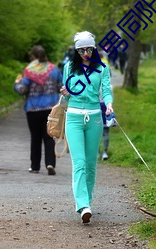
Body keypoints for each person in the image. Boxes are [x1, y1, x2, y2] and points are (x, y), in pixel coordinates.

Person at [60, 31, 113, 223]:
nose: (85, 53)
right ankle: (82, 205)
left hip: (95, 118)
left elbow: (106, 90)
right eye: (81, 50)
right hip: (73, 118)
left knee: (91, 164)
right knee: (79, 163)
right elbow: (66, 97)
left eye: (89, 49)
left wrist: (108, 104)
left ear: (94, 48)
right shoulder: (69, 68)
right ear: (76, 50)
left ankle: (87, 202)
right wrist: (65, 92)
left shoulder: (102, 68)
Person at [14, 45, 63, 175]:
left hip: (33, 109)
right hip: (50, 109)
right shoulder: (54, 70)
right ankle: (50, 163)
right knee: (49, 137)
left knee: (35, 138)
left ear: (33, 57)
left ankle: (35, 166)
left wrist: (17, 83)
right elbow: (61, 86)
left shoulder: (29, 71)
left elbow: (22, 90)